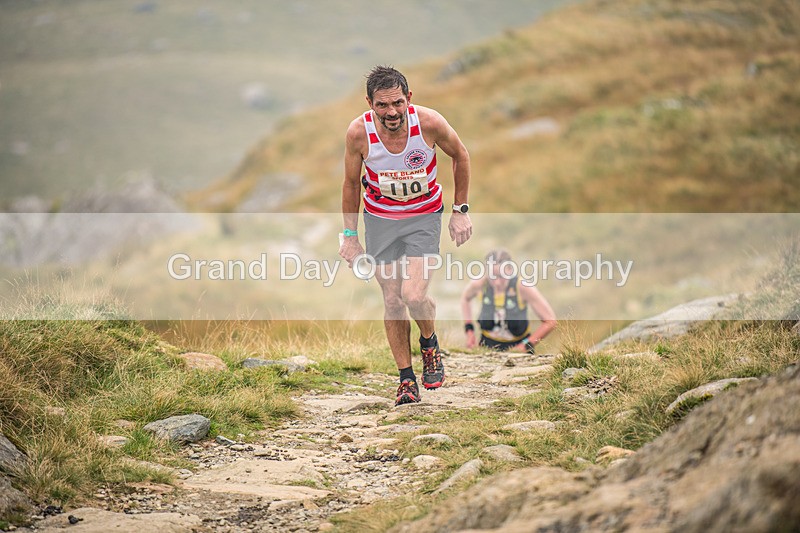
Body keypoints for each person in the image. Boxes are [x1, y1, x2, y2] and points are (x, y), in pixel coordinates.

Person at [339, 65, 473, 406]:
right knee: (393, 299)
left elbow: (460, 155)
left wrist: (460, 211)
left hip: (423, 217)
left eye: (397, 103)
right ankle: (406, 380)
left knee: (414, 294)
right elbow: (352, 184)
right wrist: (350, 235)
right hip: (381, 221)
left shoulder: (428, 123)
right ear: (369, 103)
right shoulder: (358, 133)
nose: (391, 112)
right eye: (382, 105)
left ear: (408, 99)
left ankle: (429, 345)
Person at [461, 249, 557, 353]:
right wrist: (469, 330)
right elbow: (465, 299)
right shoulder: (479, 284)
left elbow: (550, 321)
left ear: (510, 270)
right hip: (487, 346)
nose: (497, 283)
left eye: (502, 276)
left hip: (519, 346)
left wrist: (527, 345)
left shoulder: (523, 287)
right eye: (492, 276)